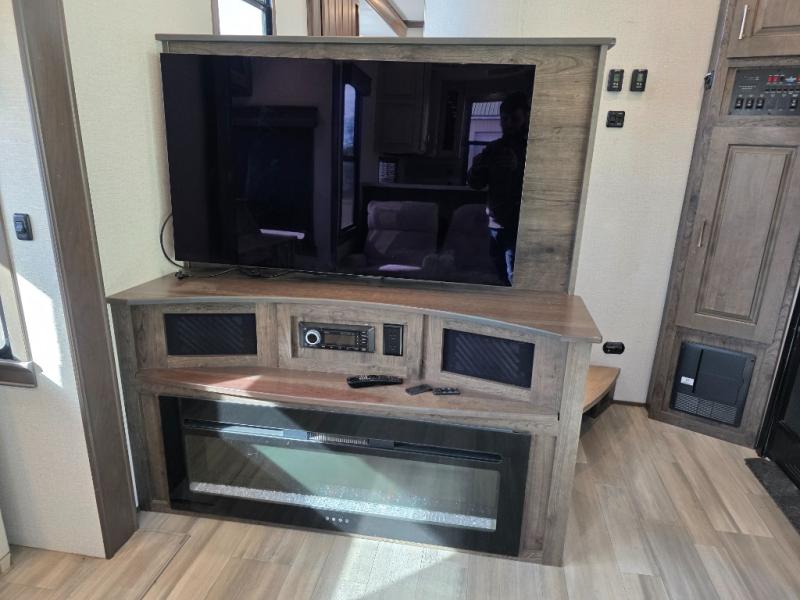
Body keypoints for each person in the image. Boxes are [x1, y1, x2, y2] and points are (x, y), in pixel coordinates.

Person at [467, 91, 531, 285]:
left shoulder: (534, 149)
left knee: (514, 278)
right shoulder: (493, 149)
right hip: (495, 224)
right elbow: (476, 184)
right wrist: (476, 168)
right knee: (499, 277)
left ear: (526, 118)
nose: (509, 124)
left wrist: (518, 168)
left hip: (521, 226)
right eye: (504, 119)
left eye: (515, 119)